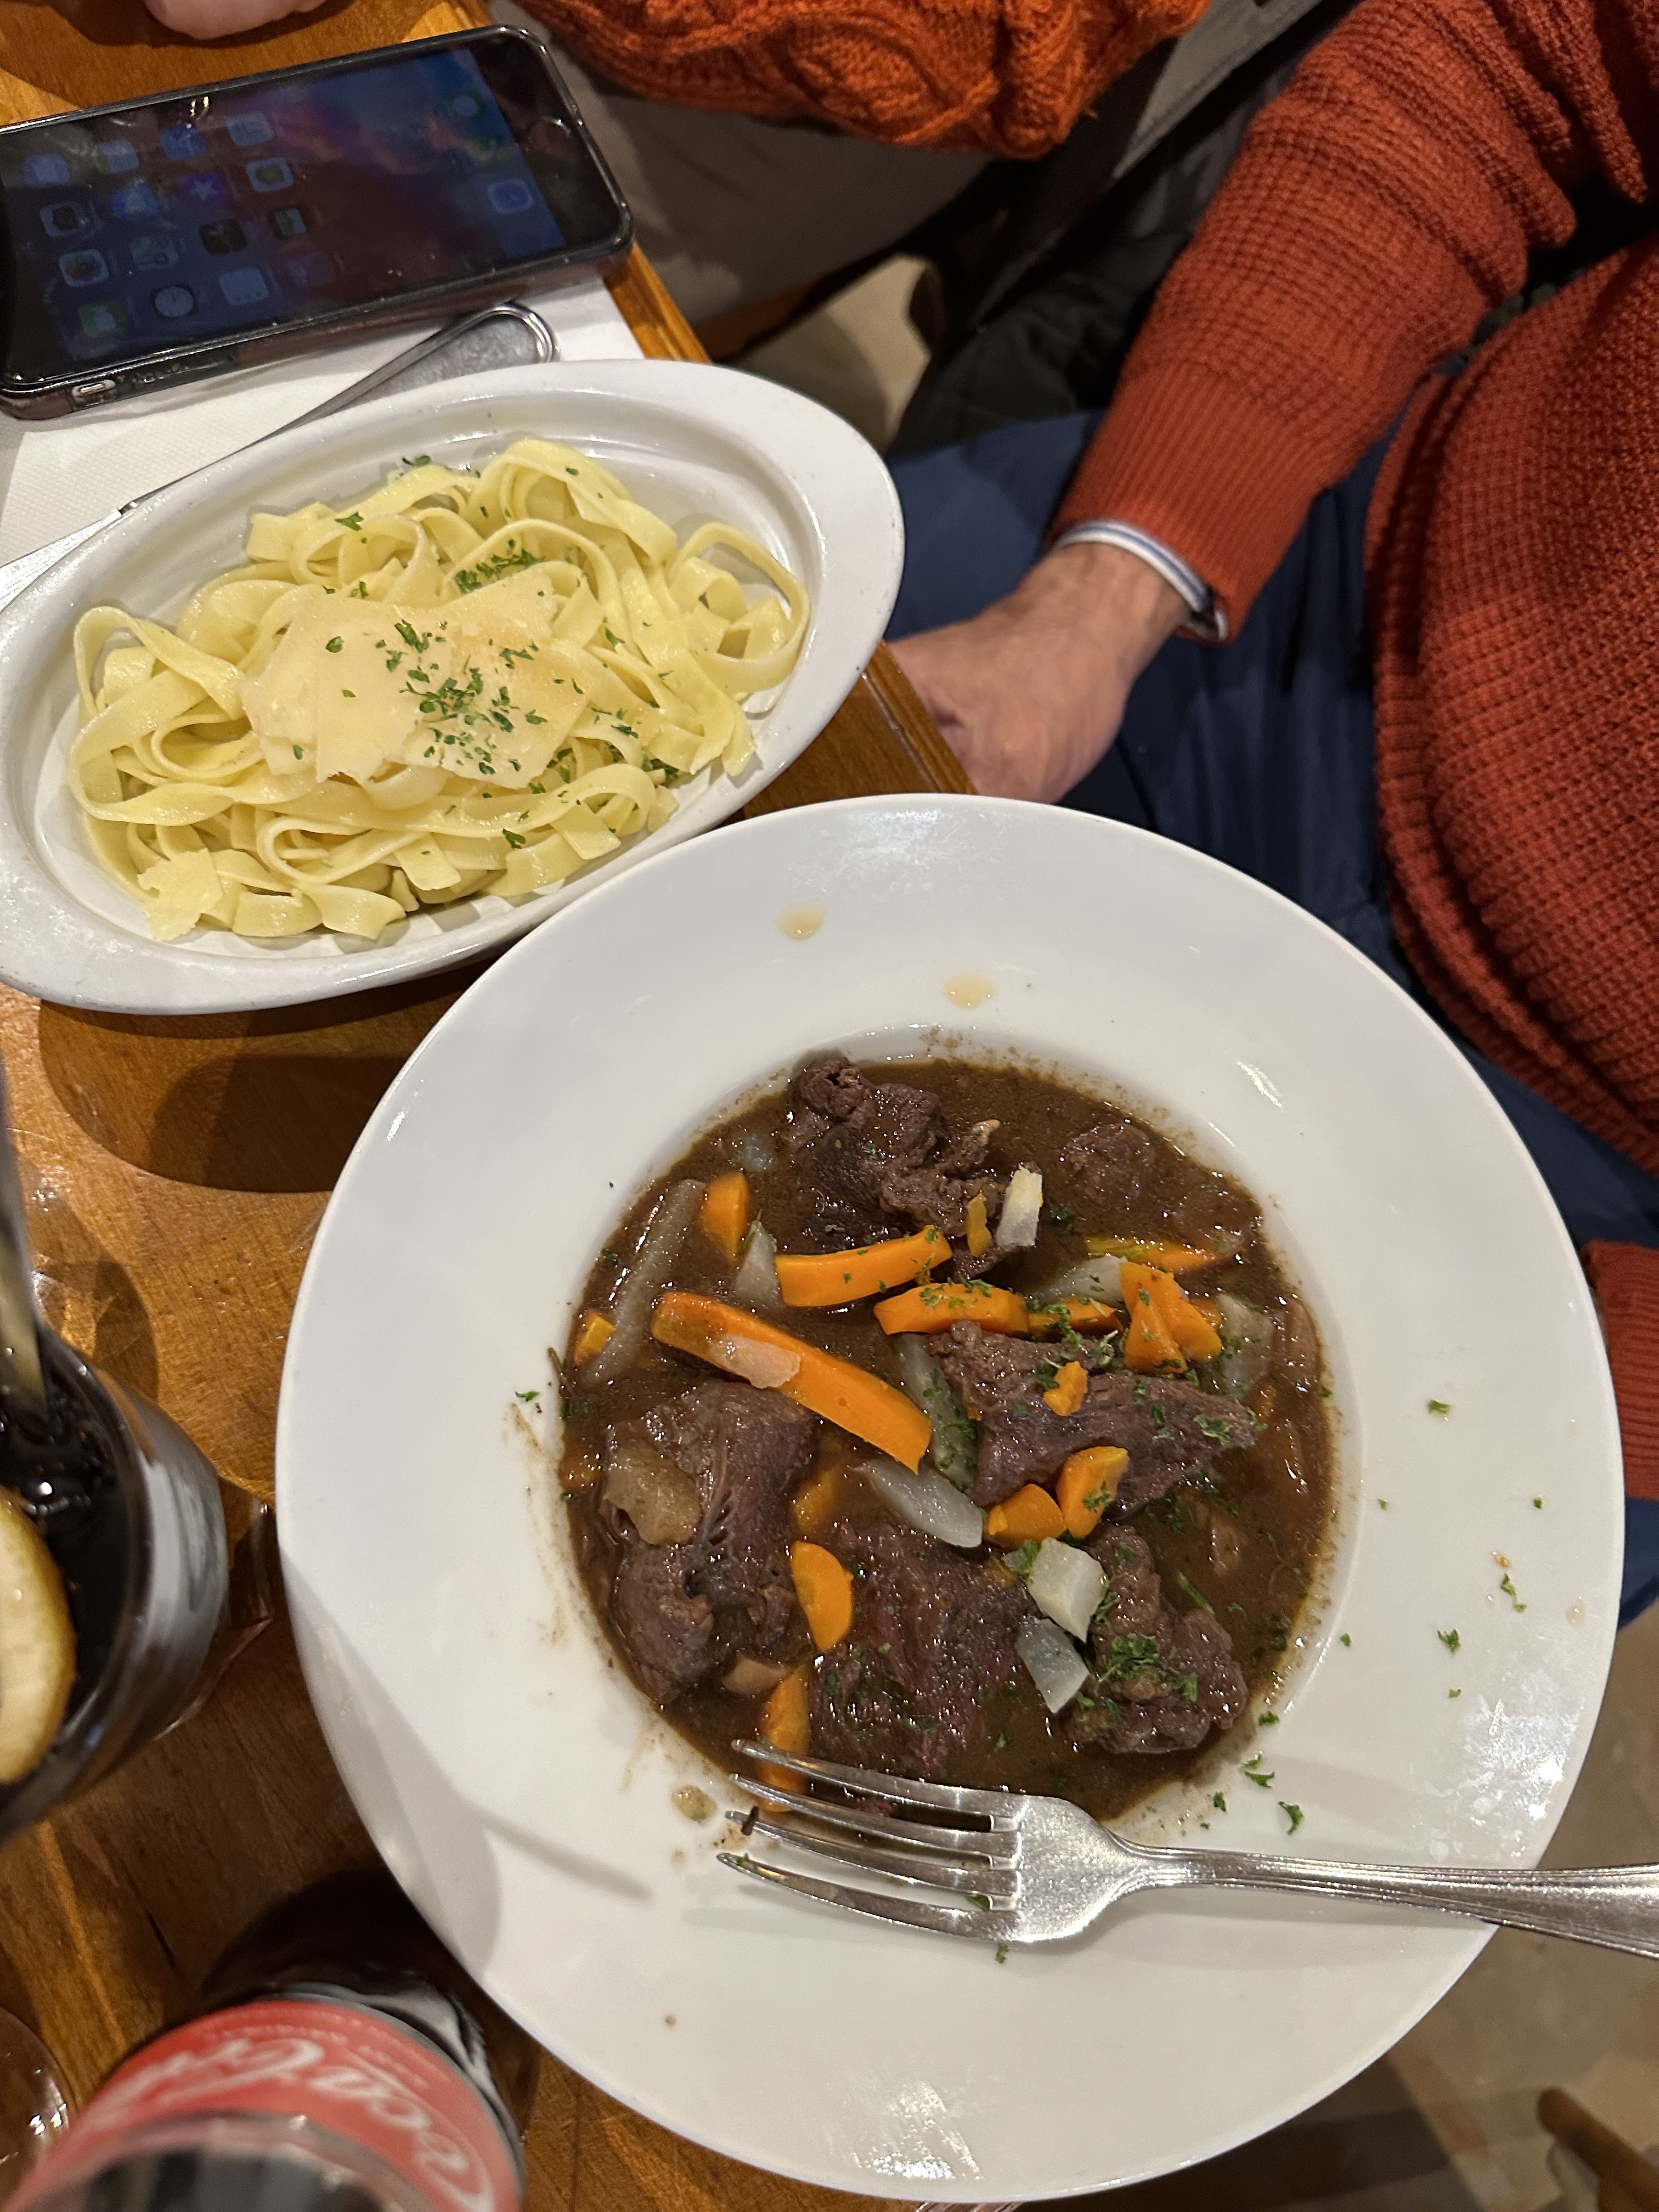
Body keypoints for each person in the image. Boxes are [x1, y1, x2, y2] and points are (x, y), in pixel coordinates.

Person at [885, 0, 1659, 1611]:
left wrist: (1581, 1340)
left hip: (1592, 1176)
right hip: (1303, 591)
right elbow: (1516, 53)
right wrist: (1101, 599)